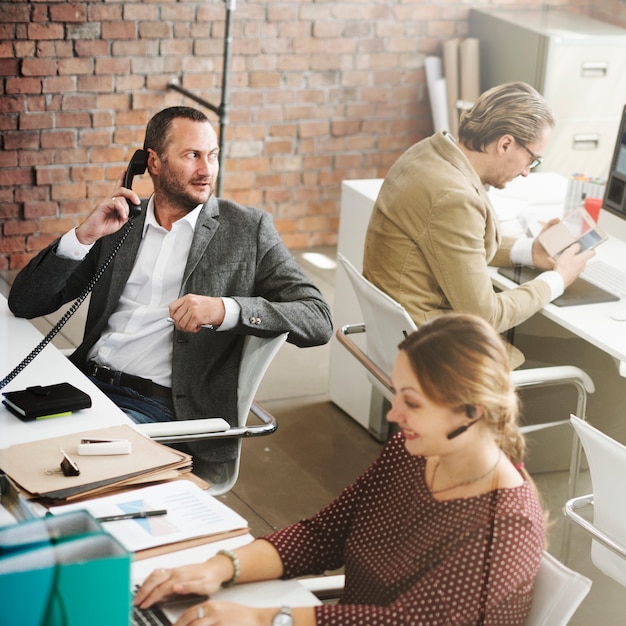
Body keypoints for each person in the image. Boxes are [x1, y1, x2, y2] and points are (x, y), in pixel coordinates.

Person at [134, 313, 545, 625]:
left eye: (413, 403)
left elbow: (406, 622)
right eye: (396, 394)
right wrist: (216, 568)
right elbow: (323, 535)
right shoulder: (411, 452)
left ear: (471, 413)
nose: (394, 414)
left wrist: (264, 618)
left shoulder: (509, 526)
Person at [8, 106, 333, 467]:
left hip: (159, 408)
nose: (206, 170)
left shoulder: (246, 229)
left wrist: (226, 310)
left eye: (212, 156)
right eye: (192, 155)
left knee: (45, 467)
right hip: (84, 387)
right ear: (153, 162)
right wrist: (83, 236)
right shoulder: (121, 224)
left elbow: (317, 319)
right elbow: (25, 302)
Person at [363, 81, 595, 368]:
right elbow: (485, 316)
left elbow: (455, 241)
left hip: (404, 332)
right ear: (506, 143)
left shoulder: (428, 153)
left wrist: (530, 250)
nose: (526, 172)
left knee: (558, 344)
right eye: (532, 160)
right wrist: (559, 279)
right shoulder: (455, 197)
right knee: (592, 362)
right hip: (436, 352)